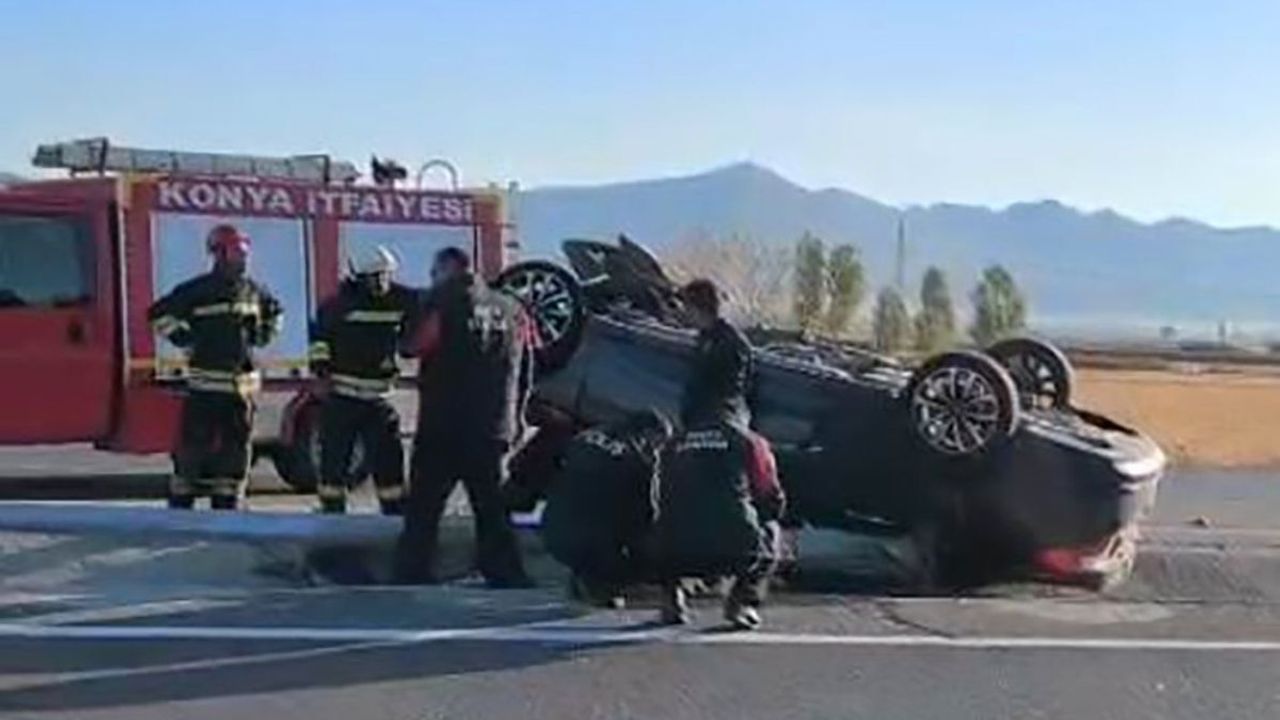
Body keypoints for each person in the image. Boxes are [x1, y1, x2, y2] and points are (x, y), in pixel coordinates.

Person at [395, 247, 535, 587]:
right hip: (493, 426)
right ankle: (504, 573)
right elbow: (529, 363)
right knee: (491, 508)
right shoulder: (513, 309)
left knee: (425, 507)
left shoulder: (443, 304)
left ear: (446, 271)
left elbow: (413, 346)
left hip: (444, 424)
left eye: (434, 274)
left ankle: (413, 571)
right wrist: (516, 418)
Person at [147, 224, 282, 510]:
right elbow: (158, 313)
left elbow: (275, 311)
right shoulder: (198, 290)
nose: (243, 260)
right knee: (194, 447)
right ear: (218, 255)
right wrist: (184, 338)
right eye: (236, 253)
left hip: (241, 388)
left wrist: (265, 333)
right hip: (205, 386)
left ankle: (228, 501)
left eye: (244, 253)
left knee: (236, 449)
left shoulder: (253, 290)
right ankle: (182, 501)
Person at [309, 245, 418, 515]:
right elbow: (319, 343)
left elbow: (421, 322)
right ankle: (332, 515)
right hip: (342, 398)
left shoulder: (403, 300)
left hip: (379, 400)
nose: (381, 282)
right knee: (334, 464)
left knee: (389, 465)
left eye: (385, 275)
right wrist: (321, 373)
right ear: (358, 278)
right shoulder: (337, 307)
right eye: (375, 277)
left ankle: (394, 516)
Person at [655, 420, 786, 630]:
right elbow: (771, 494)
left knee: (668, 526)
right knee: (771, 531)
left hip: (675, 550)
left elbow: (657, 491)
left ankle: (672, 595)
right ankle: (742, 602)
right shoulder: (750, 441)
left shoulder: (673, 442)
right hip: (735, 547)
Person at [541, 410, 673, 608]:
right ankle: (602, 585)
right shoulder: (637, 460)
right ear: (648, 434)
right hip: (591, 541)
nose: (659, 449)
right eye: (659, 443)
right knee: (645, 551)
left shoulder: (580, 439)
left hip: (552, 531)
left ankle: (585, 574)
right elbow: (647, 516)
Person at [678, 278, 754, 428]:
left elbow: (731, 388)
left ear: (699, 308)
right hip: (702, 418)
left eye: (688, 307)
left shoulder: (729, 342)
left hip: (722, 420)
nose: (685, 312)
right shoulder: (705, 338)